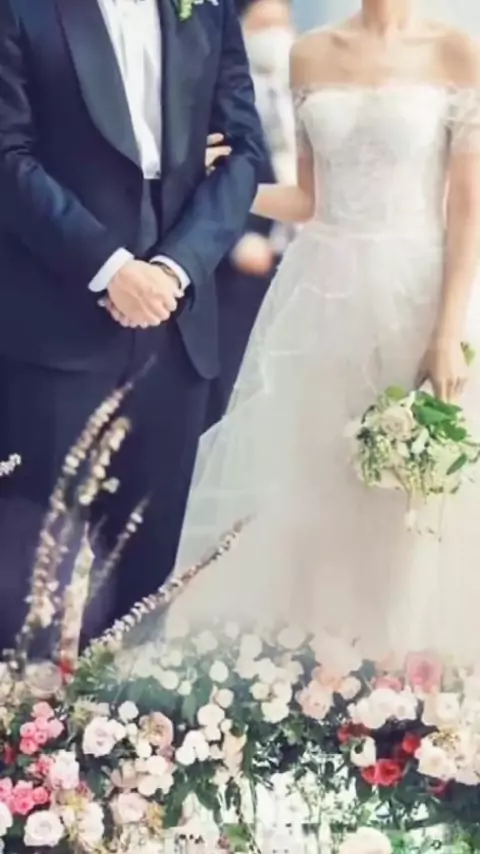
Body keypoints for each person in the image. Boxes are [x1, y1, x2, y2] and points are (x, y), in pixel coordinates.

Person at [163, 0, 480, 668]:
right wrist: (216, 182)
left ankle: (404, 671)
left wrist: (448, 330)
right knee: (316, 480)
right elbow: (308, 201)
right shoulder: (309, 53)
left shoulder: (456, 50)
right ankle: (324, 673)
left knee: (410, 490)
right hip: (320, 297)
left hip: (416, 294)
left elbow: (467, 208)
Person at [0, 0, 266, 650]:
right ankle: (29, 716)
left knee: (152, 583)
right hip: (57, 324)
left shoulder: (206, 10)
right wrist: (110, 267)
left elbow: (244, 152)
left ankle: (134, 713)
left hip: (176, 330)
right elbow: (8, 155)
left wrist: (178, 267)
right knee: (36, 577)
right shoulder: (21, 10)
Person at [205, 0, 297, 427]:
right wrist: (237, 238)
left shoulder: (307, 88)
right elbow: (207, 173)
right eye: (263, 25)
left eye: (282, 23)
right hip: (244, 267)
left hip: (305, 260)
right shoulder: (218, 95)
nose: (275, 35)